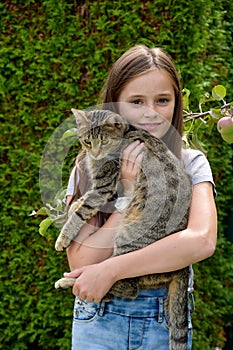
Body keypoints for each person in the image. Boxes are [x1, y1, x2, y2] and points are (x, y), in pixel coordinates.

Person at [63, 45, 217, 350]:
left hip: (163, 320)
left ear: (176, 103)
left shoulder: (189, 163)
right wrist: (129, 195)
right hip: (99, 319)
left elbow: (201, 240)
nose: (150, 112)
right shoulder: (86, 168)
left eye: (162, 100)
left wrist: (111, 269)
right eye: (136, 101)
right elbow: (81, 259)